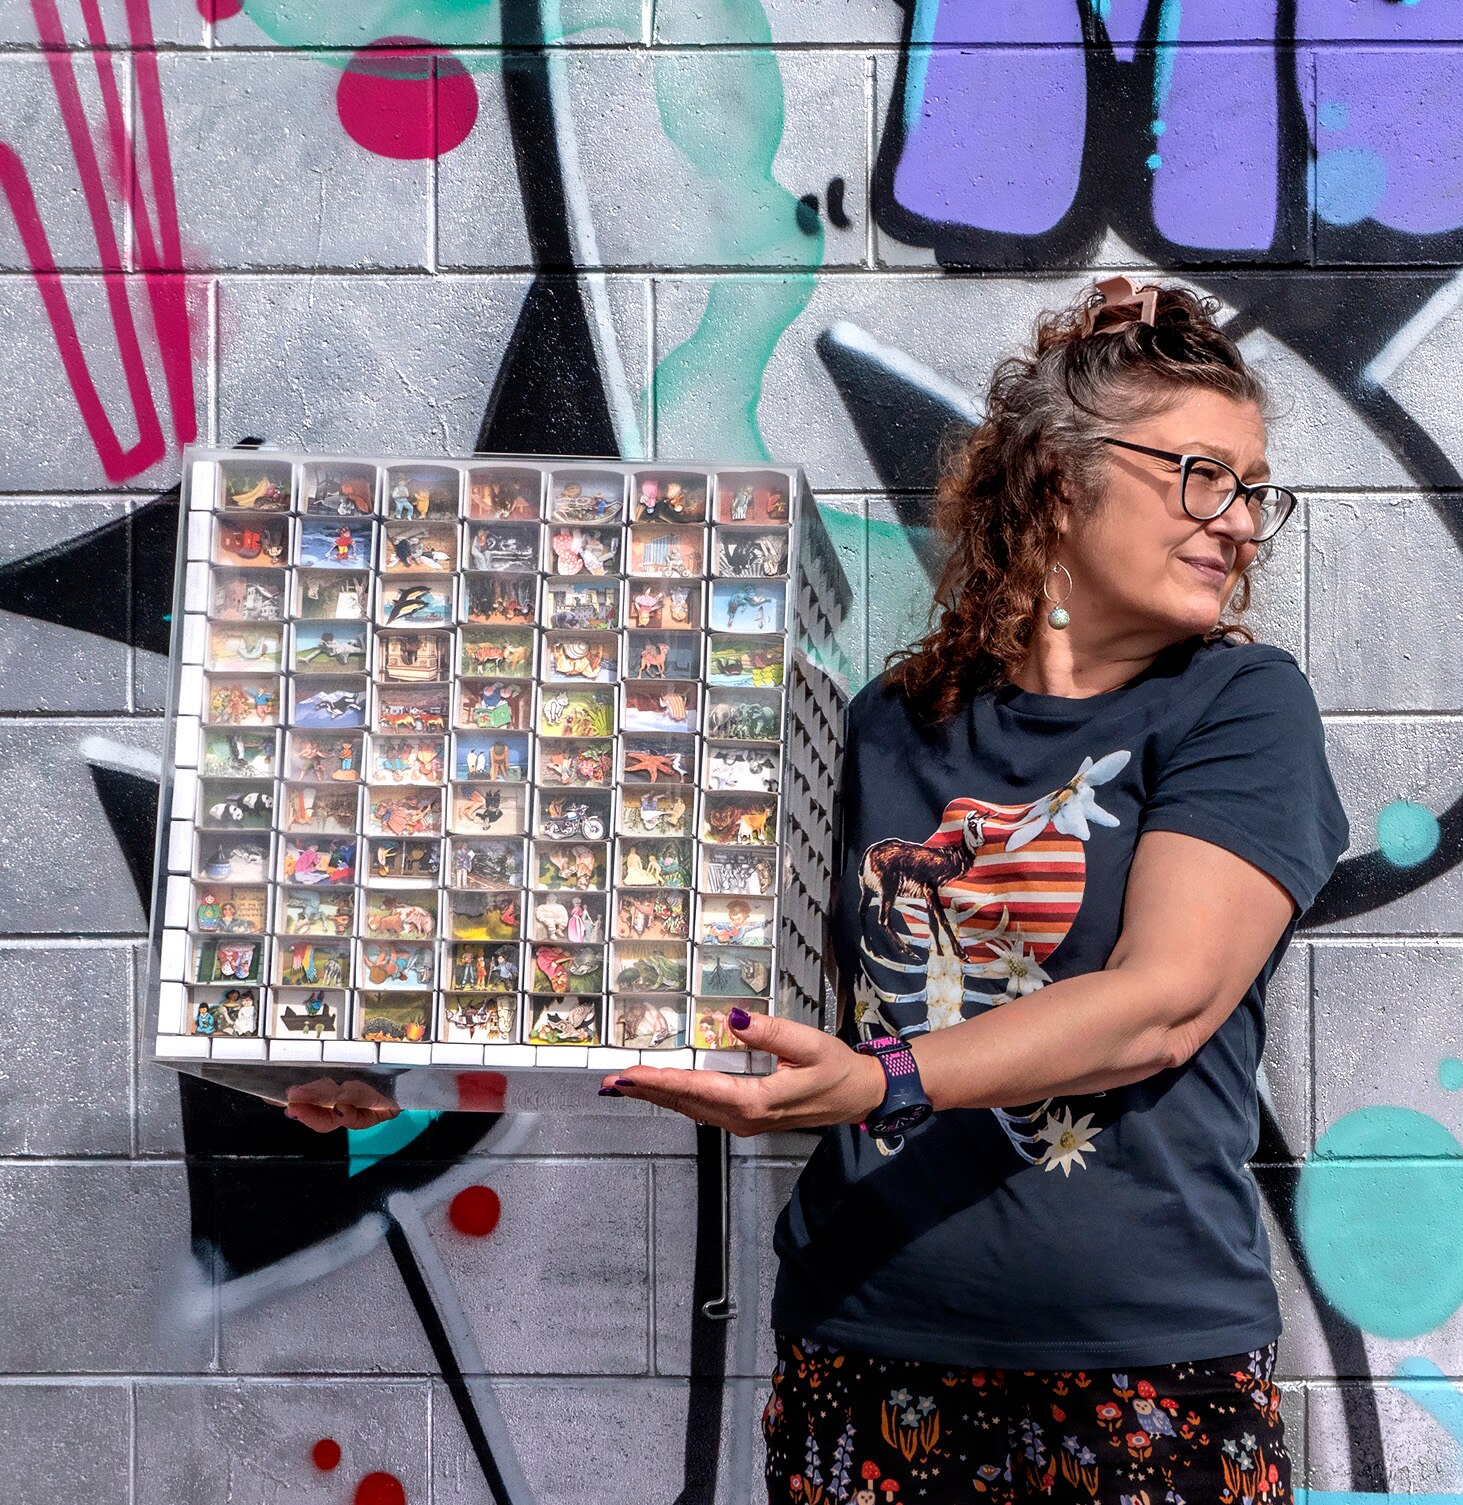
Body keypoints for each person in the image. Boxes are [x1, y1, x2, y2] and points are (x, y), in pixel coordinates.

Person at [284, 278, 1342, 1503]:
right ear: (1061, 478)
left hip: (1147, 1370)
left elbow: (1165, 999)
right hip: (866, 1350)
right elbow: (683, 975)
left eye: (1255, 491)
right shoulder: (891, 724)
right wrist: (403, 1073)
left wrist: (883, 1079)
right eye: (1203, 475)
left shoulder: (1239, 706)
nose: (1240, 522)